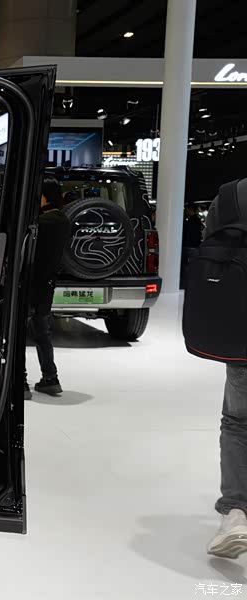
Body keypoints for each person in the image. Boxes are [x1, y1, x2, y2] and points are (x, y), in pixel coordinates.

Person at [205, 178, 247, 558]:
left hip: (241, 329)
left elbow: (211, 251)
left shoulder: (232, 195)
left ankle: (236, 514)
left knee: (237, 421)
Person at [24, 176, 71, 399]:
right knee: (42, 331)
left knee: (18, 332)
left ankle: (20, 381)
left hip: (29, 282)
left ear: (43, 196)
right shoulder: (63, 220)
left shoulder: (40, 222)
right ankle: (51, 378)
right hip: (47, 284)